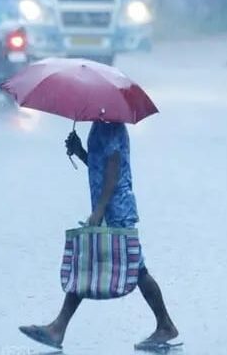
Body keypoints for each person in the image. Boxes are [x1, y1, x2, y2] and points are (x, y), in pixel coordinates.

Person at [19, 122, 179, 350]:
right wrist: (80, 151)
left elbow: (113, 168)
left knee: (133, 268)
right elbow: (100, 167)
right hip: (108, 206)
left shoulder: (111, 124)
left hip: (117, 208)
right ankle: (58, 328)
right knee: (91, 263)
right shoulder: (100, 124)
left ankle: (165, 325)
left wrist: (100, 209)